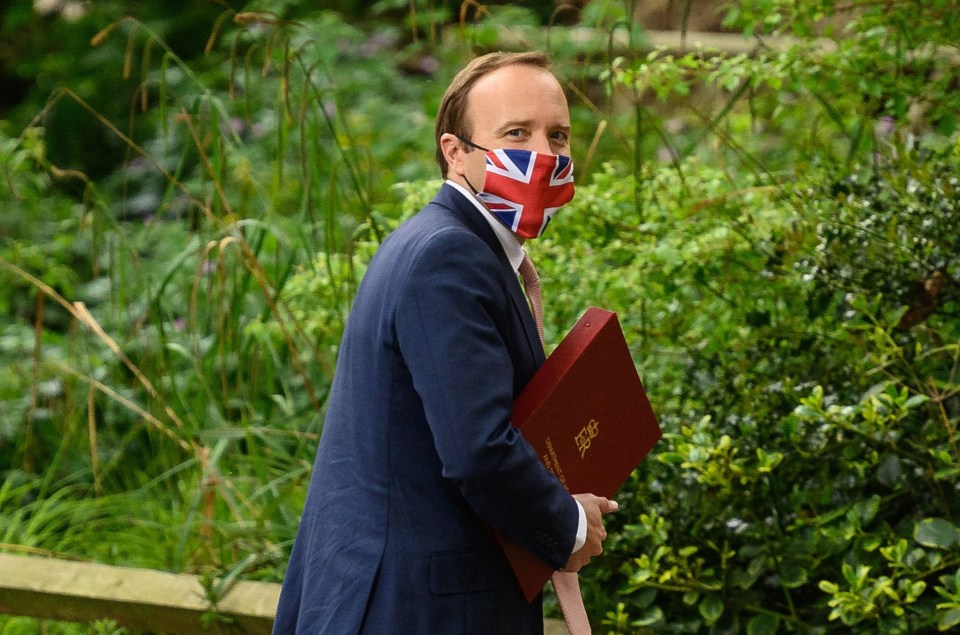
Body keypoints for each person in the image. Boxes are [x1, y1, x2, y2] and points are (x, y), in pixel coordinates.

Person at [271, 51, 617, 635]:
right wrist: (568, 524)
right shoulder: (448, 256)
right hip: (415, 609)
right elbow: (478, 449)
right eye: (516, 133)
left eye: (557, 136)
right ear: (455, 151)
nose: (544, 155)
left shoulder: (447, 244)